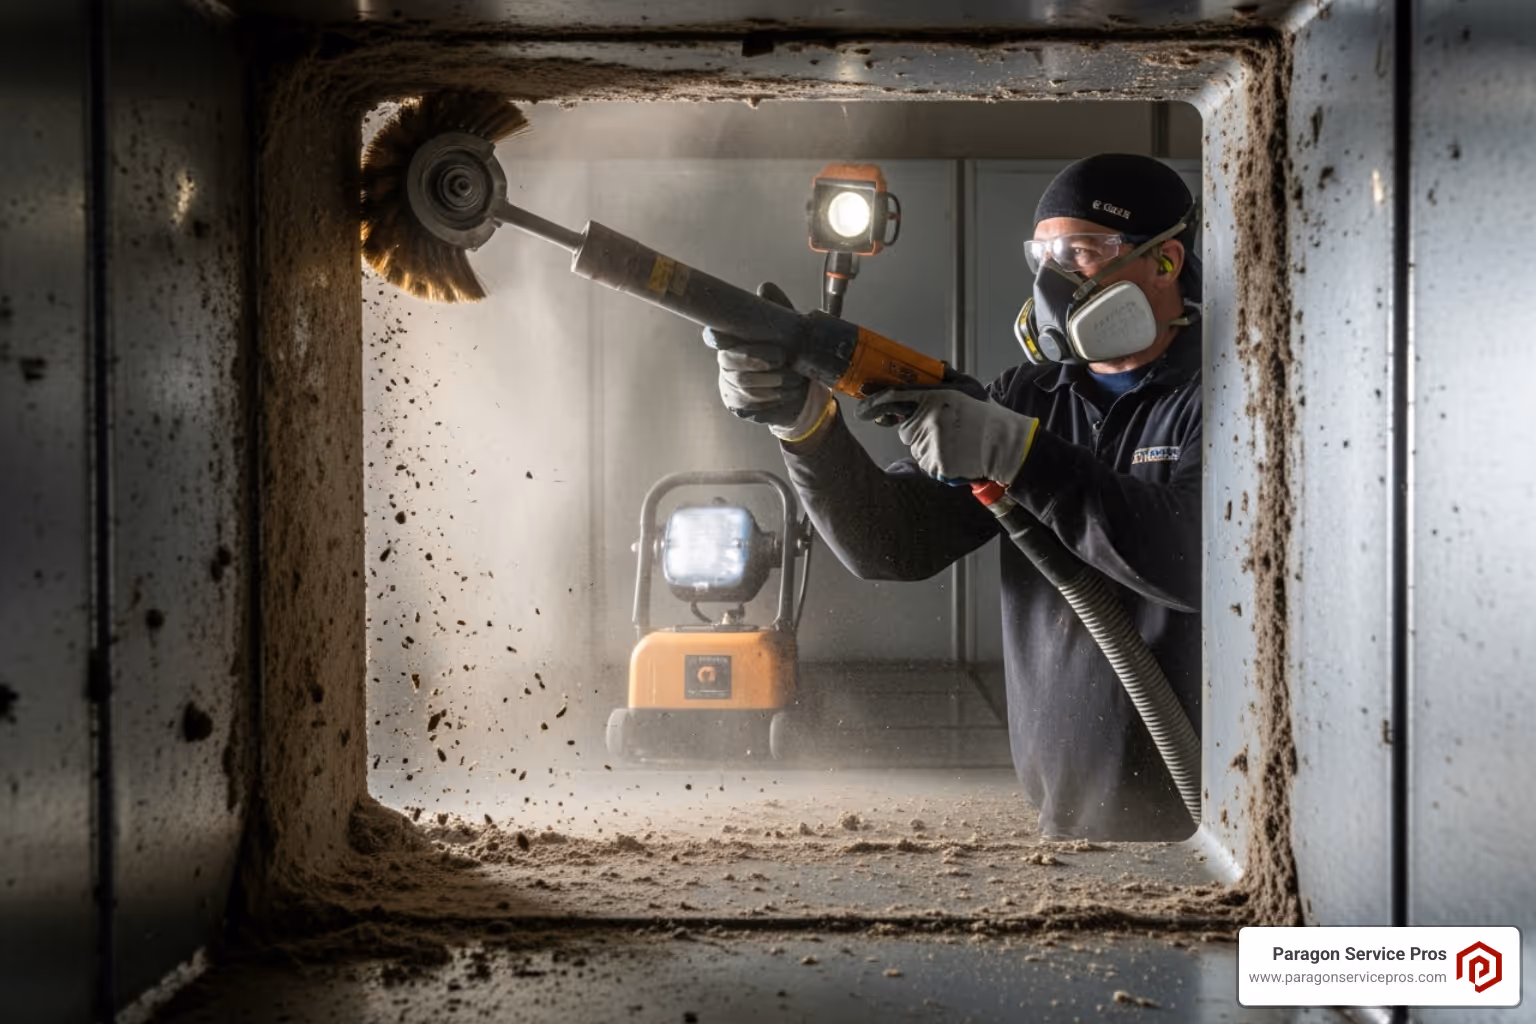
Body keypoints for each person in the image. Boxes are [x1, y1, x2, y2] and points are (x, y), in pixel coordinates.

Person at [708, 154, 1203, 841]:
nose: (1054, 281)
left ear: (1166, 260)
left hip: (1209, 819)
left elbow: (1199, 565)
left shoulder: (1222, 391)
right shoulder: (1030, 399)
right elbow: (892, 544)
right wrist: (805, 426)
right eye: (1045, 255)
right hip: (1064, 820)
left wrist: (1022, 456)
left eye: (1081, 253)